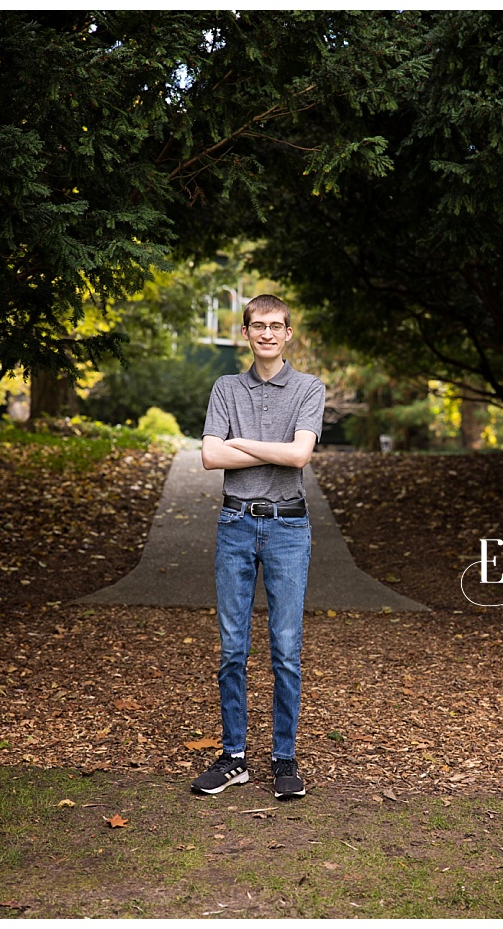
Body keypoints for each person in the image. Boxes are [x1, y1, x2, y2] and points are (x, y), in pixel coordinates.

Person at [191, 294, 327, 801]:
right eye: (257, 326)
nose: (267, 333)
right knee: (232, 649)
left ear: (288, 334)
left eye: (276, 326)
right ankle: (233, 759)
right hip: (235, 524)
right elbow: (208, 457)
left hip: (289, 529)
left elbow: (298, 457)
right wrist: (269, 449)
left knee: (286, 649)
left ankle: (284, 759)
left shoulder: (309, 388)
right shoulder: (226, 388)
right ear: (245, 334)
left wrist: (240, 443)